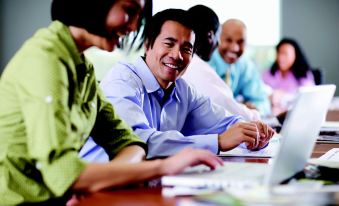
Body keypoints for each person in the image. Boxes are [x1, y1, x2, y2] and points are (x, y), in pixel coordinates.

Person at [0, 1, 225, 205]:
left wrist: (92, 179)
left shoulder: (82, 67)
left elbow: (129, 142)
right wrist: (163, 167)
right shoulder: (45, 60)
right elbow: (64, 174)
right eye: (129, 11)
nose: (134, 26)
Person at [80, 8, 275, 162]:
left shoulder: (183, 90)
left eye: (186, 48)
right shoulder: (122, 81)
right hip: (96, 191)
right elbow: (136, 141)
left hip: (145, 186)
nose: (177, 55)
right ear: (148, 44)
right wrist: (218, 141)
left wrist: (252, 134)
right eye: (169, 43)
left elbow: (226, 123)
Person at [182, 5, 260, 121]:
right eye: (222, 38)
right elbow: (232, 112)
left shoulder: (185, 64)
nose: (234, 48)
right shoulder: (198, 68)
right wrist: (255, 114)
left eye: (240, 42)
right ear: (210, 35)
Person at [208, 19, 271, 117]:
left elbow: (262, 101)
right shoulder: (206, 61)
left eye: (240, 42)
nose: (235, 48)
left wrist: (255, 108)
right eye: (228, 40)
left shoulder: (246, 66)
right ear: (218, 38)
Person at [262, 38, 315, 116]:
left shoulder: (304, 75)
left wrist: (283, 95)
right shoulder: (268, 73)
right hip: (271, 115)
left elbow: (308, 99)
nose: (281, 57)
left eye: (285, 54)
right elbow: (259, 93)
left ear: (295, 55)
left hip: (296, 116)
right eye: (279, 53)